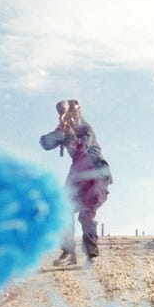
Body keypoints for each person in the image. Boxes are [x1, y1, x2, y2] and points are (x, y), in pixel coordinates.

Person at [39, 99, 112, 264]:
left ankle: (91, 255)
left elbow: (82, 149)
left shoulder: (87, 129)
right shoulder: (66, 130)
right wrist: (58, 133)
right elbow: (45, 143)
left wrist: (69, 134)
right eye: (69, 116)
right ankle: (67, 252)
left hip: (96, 175)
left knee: (86, 214)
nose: (73, 119)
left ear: (80, 114)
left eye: (76, 115)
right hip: (78, 176)